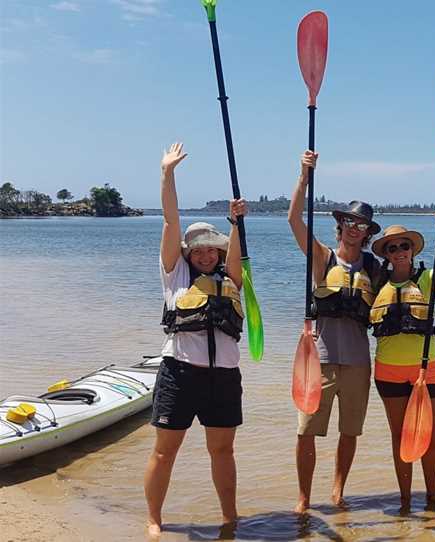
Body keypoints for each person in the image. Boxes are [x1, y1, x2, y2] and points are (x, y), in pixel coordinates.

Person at [145, 142, 248, 538]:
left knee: (223, 451)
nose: (206, 255)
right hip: (179, 373)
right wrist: (167, 174)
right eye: (199, 250)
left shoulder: (231, 279)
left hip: (223, 376)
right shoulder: (175, 274)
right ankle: (154, 518)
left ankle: (229, 517)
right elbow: (171, 223)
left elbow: (237, 256)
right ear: (189, 254)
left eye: (212, 250)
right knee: (164, 450)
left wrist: (237, 223)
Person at [287, 149, 382, 513]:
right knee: (306, 430)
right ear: (340, 225)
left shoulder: (374, 267)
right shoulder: (322, 257)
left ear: (367, 233)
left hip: (358, 364)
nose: (355, 229)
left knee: (350, 432)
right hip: (320, 360)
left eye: (362, 226)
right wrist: (303, 177)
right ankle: (303, 498)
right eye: (351, 223)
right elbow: (295, 219)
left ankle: (338, 491)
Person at [369, 215, 435, 513]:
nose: (399, 251)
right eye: (392, 248)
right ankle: (405, 500)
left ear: (412, 250)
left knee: (431, 437)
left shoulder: (426, 279)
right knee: (401, 438)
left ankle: (432, 497)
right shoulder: (377, 282)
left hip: (426, 369)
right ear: (387, 255)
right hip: (388, 371)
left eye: (404, 246)